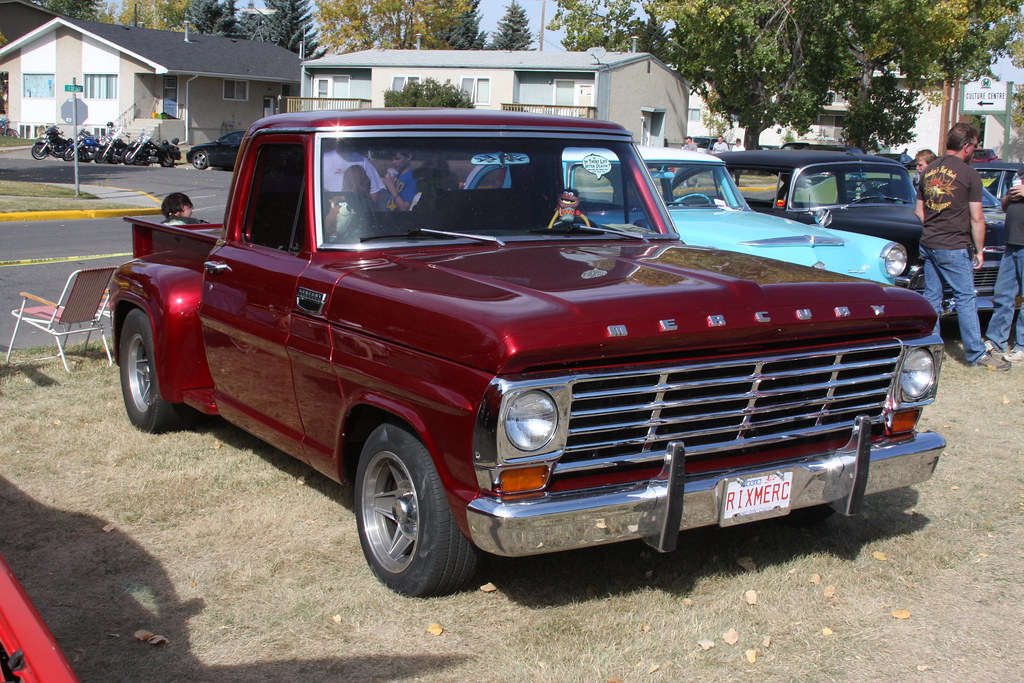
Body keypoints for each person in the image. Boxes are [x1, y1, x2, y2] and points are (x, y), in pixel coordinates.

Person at [915, 123, 1009, 370]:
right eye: (975, 146)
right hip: (954, 245)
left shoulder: (929, 170)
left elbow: (918, 210)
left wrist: (935, 226)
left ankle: (931, 349)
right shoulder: (968, 174)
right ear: (966, 146)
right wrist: (979, 250)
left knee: (932, 298)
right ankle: (976, 354)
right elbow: (977, 218)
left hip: (929, 243)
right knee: (966, 298)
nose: (974, 151)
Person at [984, 165, 1024, 362]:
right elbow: (1004, 206)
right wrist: (1010, 197)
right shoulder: (1021, 172)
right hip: (1012, 243)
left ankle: (1021, 346)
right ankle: (996, 340)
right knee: (1003, 294)